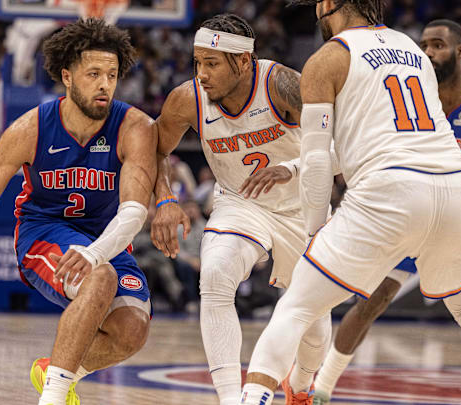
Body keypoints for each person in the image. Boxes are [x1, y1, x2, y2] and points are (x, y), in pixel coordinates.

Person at [240, 2, 461, 405]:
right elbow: (373, 135)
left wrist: (314, 231)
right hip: (456, 188)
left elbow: (321, 158)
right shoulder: (411, 50)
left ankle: (254, 397)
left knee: (296, 306)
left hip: (389, 191)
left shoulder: (328, 58)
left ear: (329, 5)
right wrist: (293, 167)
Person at [0, 18, 156, 405]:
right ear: (68, 77)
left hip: (106, 237)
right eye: (93, 74)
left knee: (132, 329)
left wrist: (162, 205)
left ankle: (53, 369)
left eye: (112, 74)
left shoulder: (133, 125)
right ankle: (53, 397)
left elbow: (141, 197)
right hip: (44, 233)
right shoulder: (30, 129)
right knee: (99, 277)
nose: (105, 84)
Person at [151, 14, 335, 405]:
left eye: (211, 64)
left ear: (243, 62)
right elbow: (154, 151)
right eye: (197, 62)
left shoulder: (283, 85)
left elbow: (341, 143)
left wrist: (291, 168)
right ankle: (231, 399)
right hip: (241, 201)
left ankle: (300, 389)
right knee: (215, 275)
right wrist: (165, 199)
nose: (201, 73)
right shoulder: (187, 99)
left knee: (315, 327)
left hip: (302, 208)